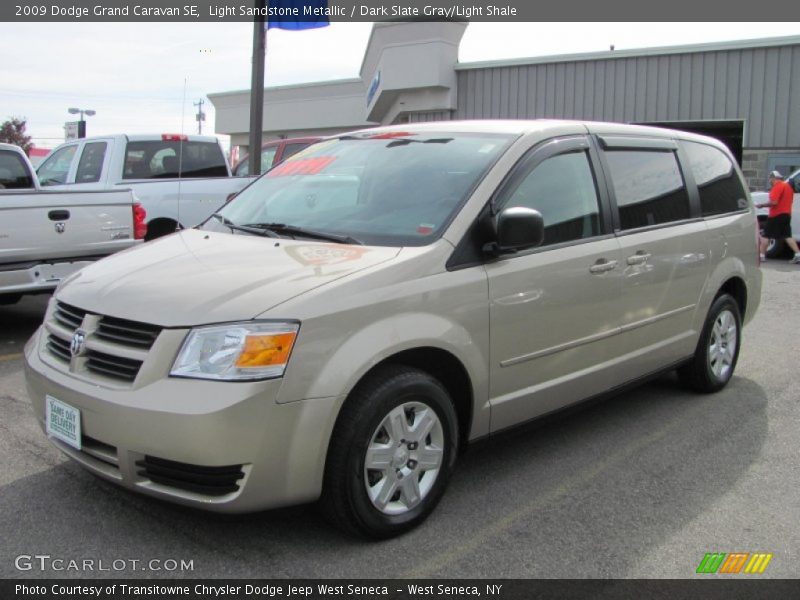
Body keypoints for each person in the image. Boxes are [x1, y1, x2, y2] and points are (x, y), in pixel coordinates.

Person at [757, 170, 800, 263]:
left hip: (776, 215)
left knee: (765, 235)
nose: (770, 181)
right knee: (787, 236)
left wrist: (762, 205)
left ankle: (761, 256)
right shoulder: (788, 188)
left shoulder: (777, 187)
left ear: (774, 178)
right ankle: (798, 254)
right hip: (786, 215)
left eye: (770, 179)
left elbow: (774, 202)